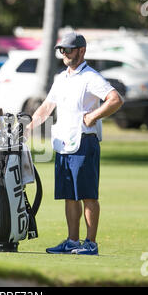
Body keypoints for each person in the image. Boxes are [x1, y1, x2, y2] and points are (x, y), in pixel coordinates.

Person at [25, 32, 123, 255]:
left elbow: (115, 99)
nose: (65, 54)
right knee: (69, 196)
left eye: (69, 50)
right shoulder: (62, 78)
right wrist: (29, 128)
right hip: (64, 143)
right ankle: (72, 241)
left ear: (81, 51)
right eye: (62, 50)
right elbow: (47, 107)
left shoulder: (91, 76)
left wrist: (93, 116)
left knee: (88, 195)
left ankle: (90, 243)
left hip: (84, 142)